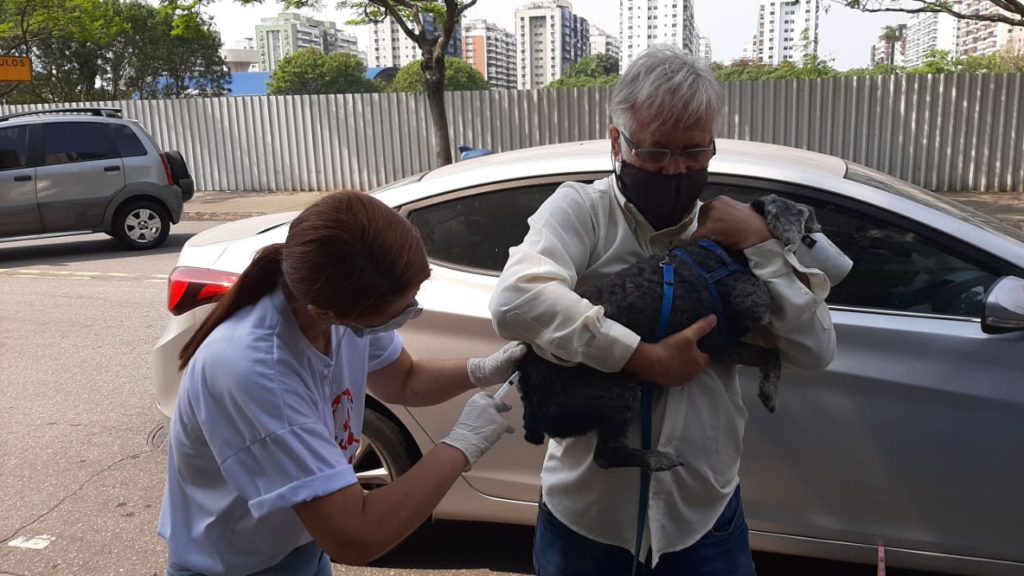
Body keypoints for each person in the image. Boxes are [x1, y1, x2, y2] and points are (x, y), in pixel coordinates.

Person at [489, 45, 840, 575]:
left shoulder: (734, 233)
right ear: (618, 142)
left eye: (694, 152)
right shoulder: (582, 211)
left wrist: (763, 245)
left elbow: (815, 350)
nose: (676, 169)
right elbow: (516, 300)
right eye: (655, 153)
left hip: (702, 515)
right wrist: (640, 358)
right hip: (587, 518)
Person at [158, 190, 525, 576]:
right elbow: (355, 536)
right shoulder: (254, 371)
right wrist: (462, 445)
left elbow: (404, 380)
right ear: (325, 312)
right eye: (399, 310)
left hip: (298, 548)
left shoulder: (341, 316)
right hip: (234, 567)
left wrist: (480, 370)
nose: (412, 312)